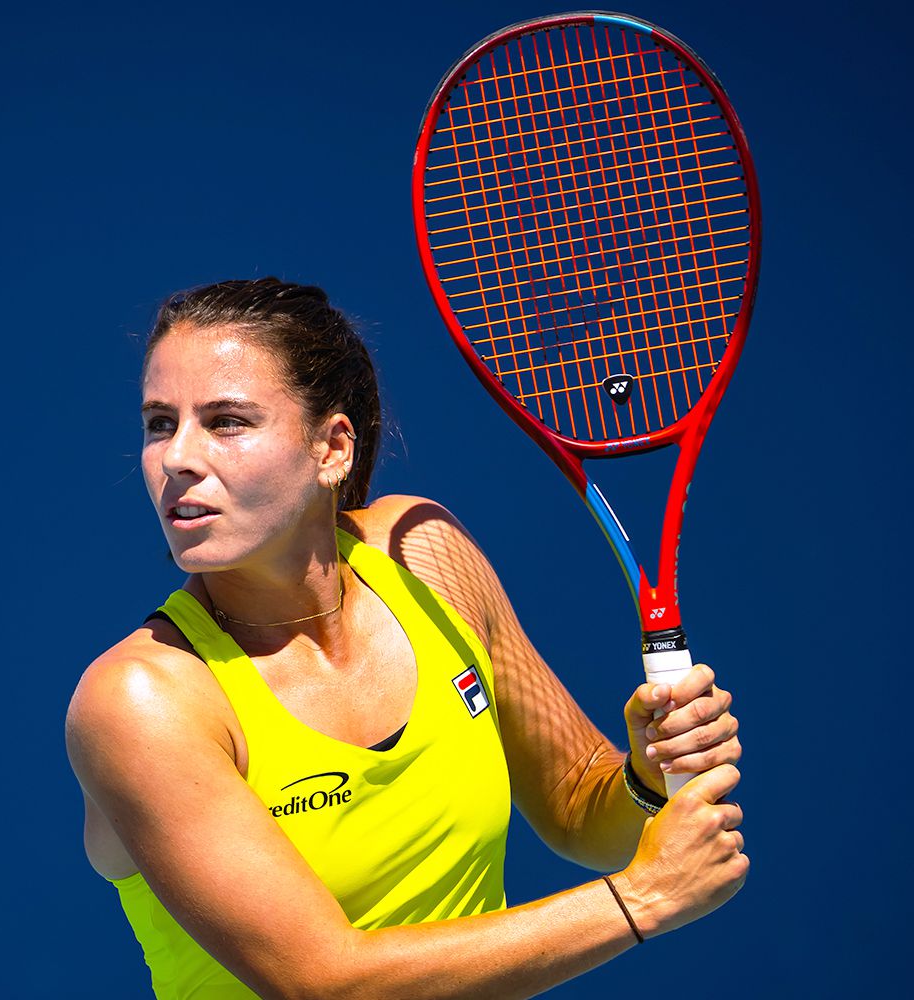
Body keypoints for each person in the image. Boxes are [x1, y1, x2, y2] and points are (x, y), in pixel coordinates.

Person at [66, 278, 746, 999]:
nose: (177, 458)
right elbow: (325, 983)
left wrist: (643, 778)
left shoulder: (425, 556)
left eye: (227, 421)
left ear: (331, 448)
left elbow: (582, 807)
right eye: (159, 423)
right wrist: (642, 899)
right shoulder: (142, 701)